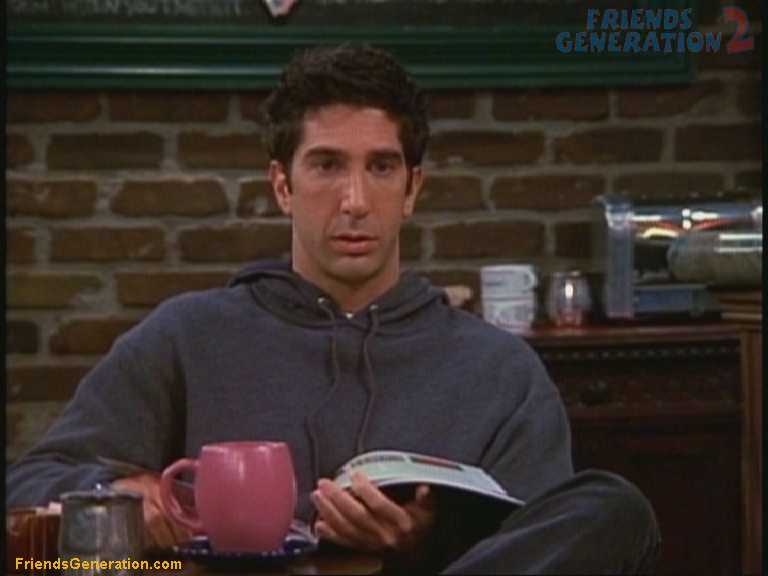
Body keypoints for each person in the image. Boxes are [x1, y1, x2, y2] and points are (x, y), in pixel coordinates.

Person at [7, 44, 660, 573]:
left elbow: (548, 542)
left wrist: (428, 542)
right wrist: (121, 497)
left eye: (381, 168)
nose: (354, 201)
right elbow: (29, 480)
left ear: (412, 189)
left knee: (614, 507)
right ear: (282, 186)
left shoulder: (500, 371)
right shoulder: (189, 334)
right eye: (326, 166)